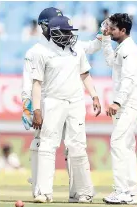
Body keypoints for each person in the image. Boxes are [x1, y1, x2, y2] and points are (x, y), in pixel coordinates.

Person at [21, 7, 102, 203]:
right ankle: (43, 191)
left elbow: (85, 73)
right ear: (46, 28)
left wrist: (94, 95)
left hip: (75, 102)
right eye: (62, 31)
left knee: (77, 147)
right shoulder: (38, 51)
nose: (68, 35)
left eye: (69, 31)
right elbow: (34, 83)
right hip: (53, 102)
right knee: (47, 145)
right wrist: (32, 108)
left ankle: (82, 192)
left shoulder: (75, 47)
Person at [101, 13, 137, 204]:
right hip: (126, 104)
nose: (109, 30)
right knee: (126, 147)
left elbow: (128, 79)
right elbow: (111, 62)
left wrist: (117, 102)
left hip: (129, 104)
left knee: (118, 143)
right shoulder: (122, 48)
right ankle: (131, 193)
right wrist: (104, 39)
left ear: (123, 30)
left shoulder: (129, 49)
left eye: (112, 28)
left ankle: (122, 191)